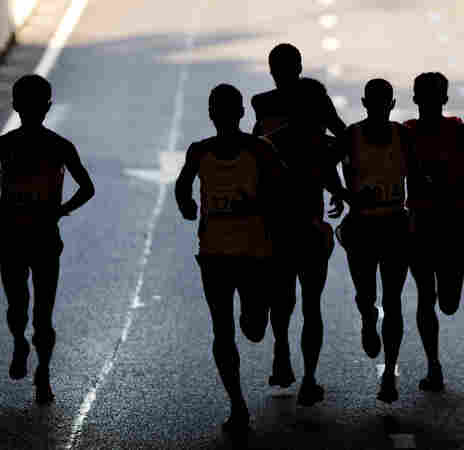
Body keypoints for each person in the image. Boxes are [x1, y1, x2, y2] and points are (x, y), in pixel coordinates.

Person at [0, 74, 95, 404]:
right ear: (48, 107)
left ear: (15, 106)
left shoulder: (9, 145)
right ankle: (37, 364)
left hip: (23, 237)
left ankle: (35, 366)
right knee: (40, 313)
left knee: (22, 308)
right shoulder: (58, 146)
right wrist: (60, 210)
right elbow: (87, 189)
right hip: (34, 236)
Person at [175, 84, 283, 433]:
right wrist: (187, 204)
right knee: (222, 331)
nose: (221, 114)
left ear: (238, 114)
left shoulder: (259, 150)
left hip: (254, 254)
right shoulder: (199, 151)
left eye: (225, 108)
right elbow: (182, 185)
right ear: (214, 115)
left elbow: (281, 190)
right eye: (217, 109)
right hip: (215, 255)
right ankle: (238, 405)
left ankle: (256, 314)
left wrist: (255, 206)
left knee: (252, 328)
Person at [251, 43, 346, 398]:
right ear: (300, 66)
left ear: (272, 69)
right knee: (309, 303)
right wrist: (336, 182)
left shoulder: (265, 109)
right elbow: (340, 141)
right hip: (305, 219)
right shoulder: (314, 103)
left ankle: (282, 352)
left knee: (285, 297)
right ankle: (307, 376)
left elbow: (254, 153)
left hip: (279, 220)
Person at [403, 72, 464, 392]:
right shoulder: (407, 133)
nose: (428, 101)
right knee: (426, 296)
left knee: (448, 302)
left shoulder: (459, 131)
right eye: (423, 96)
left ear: (444, 99)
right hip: (420, 224)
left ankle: (434, 363)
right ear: (415, 100)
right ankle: (433, 365)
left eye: (434, 95)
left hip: (453, 224)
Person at [333, 78, 416, 403]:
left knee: (393, 300)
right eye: (377, 103)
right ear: (367, 104)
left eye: (384, 104)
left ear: (390, 105)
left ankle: (389, 377)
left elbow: (418, 174)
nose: (381, 109)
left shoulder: (402, 136)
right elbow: (325, 167)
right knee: (367, 295)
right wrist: (344, 195)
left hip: (394, 222)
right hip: (364, 226)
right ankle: (368, 317)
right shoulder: (351, 135)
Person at [251, 43, 345, 137]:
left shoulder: (263, 104)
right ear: (299, 68)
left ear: (271, 72)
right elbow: (342, 133)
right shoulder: (317, 98)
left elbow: (256, 143)